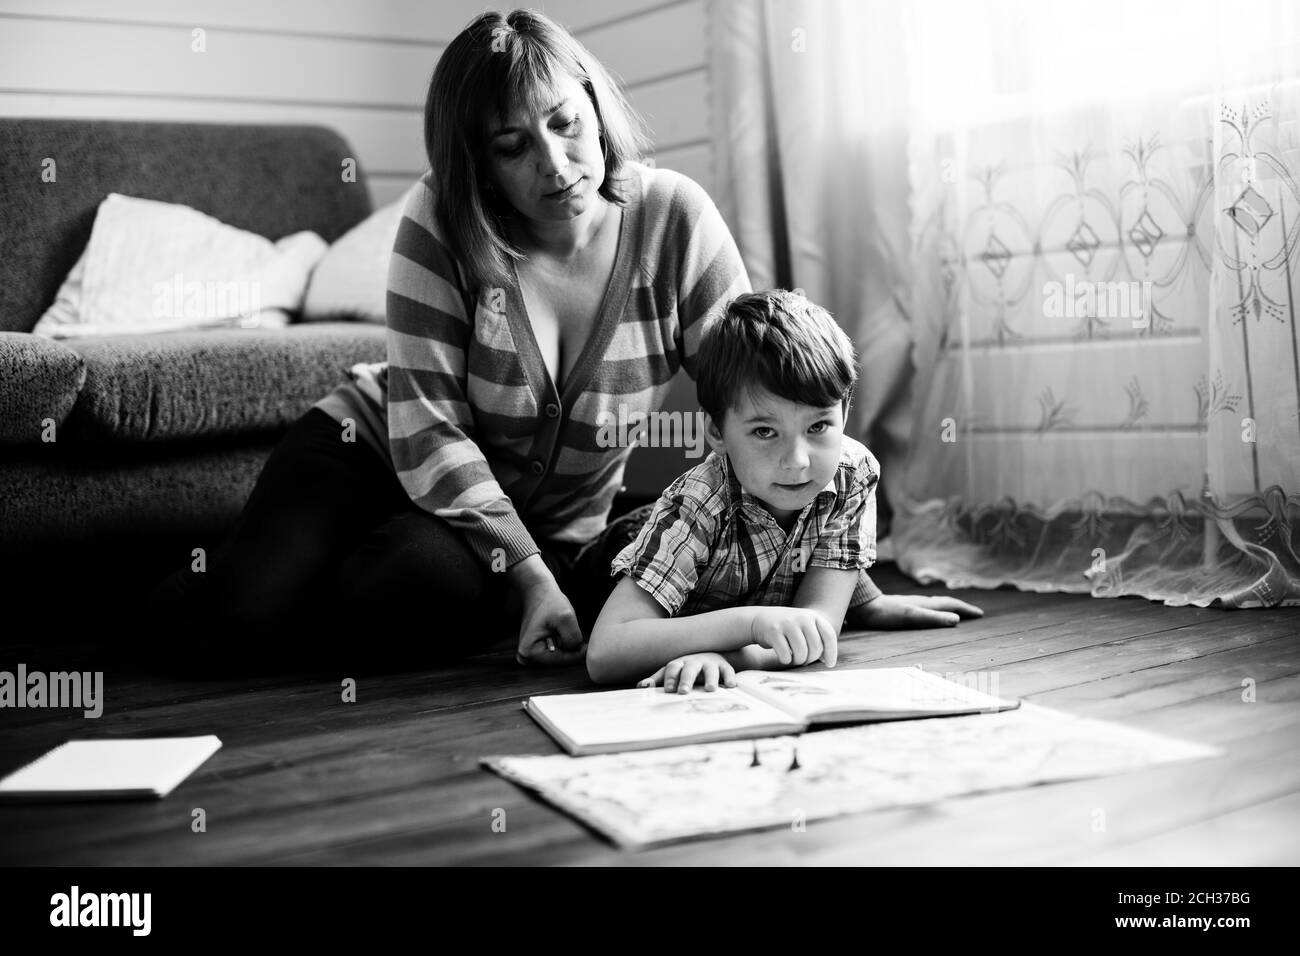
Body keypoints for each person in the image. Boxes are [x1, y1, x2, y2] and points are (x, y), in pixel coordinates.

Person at [146, 10, 978, 676]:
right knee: (244, 625)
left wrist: (844, 583)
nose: (555, 163)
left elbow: (756, 399)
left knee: (409, 587)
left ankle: (365, 593)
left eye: (565, 123)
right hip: (367, 450)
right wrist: (534, 578)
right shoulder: (439, 225)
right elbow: (430, 427)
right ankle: (218, 582)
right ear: (479, 166)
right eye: (514, 146)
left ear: (594, 106)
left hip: (515, 526)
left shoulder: (674, 219)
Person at [588, 290, 891, 691]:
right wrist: (750, 624)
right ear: (717, 432)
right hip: (618, 550)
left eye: (818, 426)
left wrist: (728, 656)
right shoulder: (697, 503)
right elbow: (605, 653)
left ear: (845, 411)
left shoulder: (854, 473)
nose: (798, 460)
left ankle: (866, 599)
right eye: (765, 431)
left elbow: (814, 629)